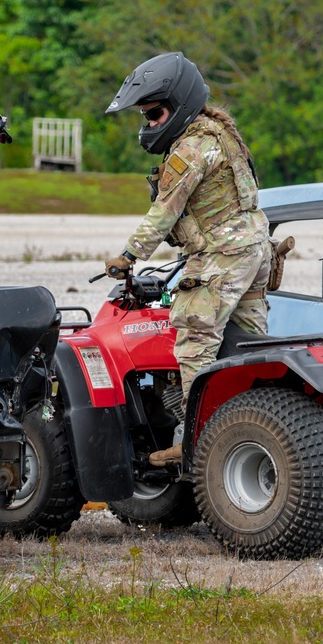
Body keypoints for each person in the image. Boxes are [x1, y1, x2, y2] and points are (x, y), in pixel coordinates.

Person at [104, 51, 271, 466]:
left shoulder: (191, 149)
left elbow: (165, 211)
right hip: (252, 250)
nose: (149, 124)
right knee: (248, 348)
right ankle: (254, 426)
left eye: (155, 114)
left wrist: (128, 256)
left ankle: (197, 440)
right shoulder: (220, 134)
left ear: (178, 104)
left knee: (194, 341)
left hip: (222, 254)